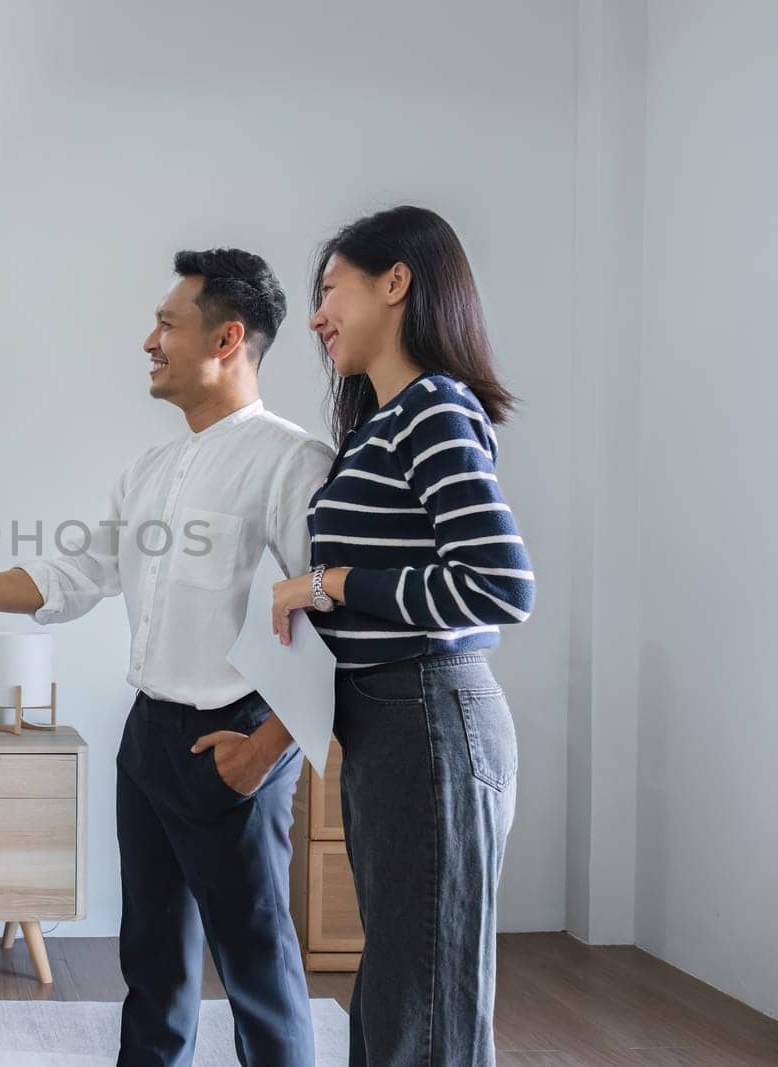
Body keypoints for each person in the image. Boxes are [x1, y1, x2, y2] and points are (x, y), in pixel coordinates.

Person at [0, 250, 332, 1066]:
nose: (149, 341)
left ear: (228, 338)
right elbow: (70, 577)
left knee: (256, 969)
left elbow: (327, 615)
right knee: (151, 962)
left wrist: (263, 754)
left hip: (236, 740)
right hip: (149, 737)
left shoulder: (293, 462)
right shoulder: (150, 469)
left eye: (167, 323)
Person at [272, 206, 536, 1066]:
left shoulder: (433, 407)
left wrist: (332, 583)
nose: (316, 317)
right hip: (390, 722)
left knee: (424, 1000)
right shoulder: (377, 426)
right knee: (399, 987)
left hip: (430, 716)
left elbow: (499, 583)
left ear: (396, 283)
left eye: (329, 289)